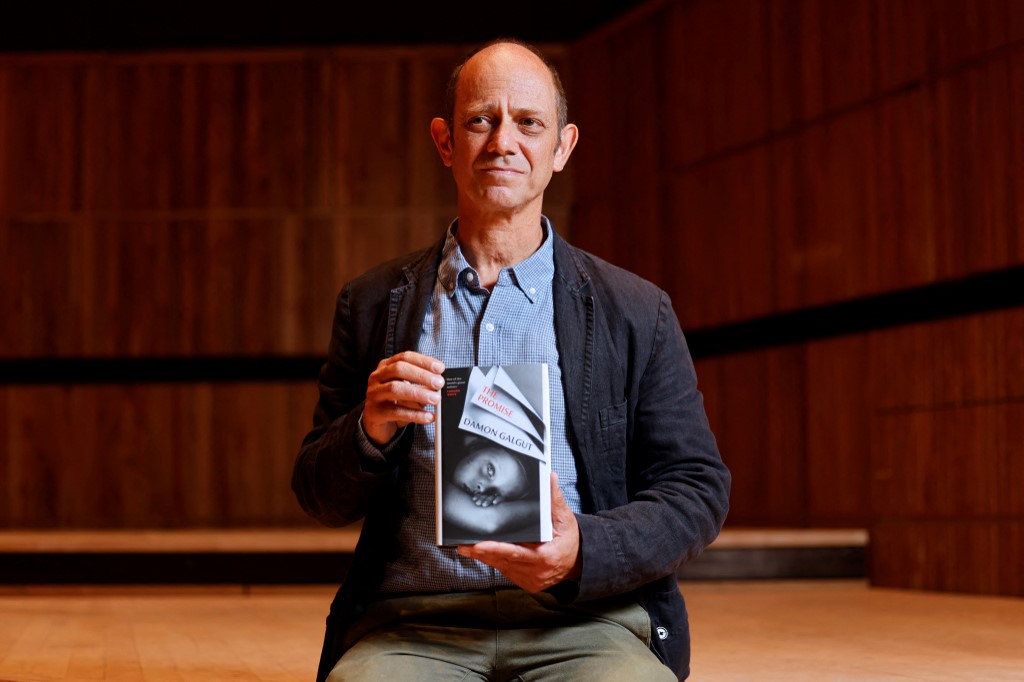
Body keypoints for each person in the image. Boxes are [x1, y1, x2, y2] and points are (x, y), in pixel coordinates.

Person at [292, 38, 730, 682]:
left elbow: (697, 488)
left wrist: (583, 550)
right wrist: (367, 430)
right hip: (413, 625)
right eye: (481, 120)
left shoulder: (637, 310)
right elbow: (317, 493)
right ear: (445, 142)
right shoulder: (372, 304)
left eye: (529, 123)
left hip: (587, 620)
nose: (503, 142)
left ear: (562, 147)